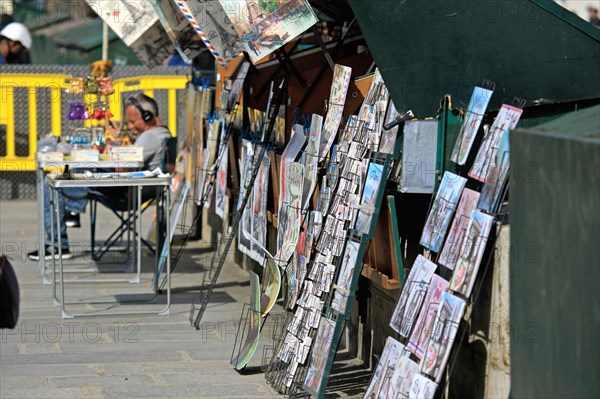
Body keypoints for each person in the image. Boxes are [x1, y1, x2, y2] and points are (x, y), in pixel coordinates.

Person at [28, 94, 172, 261]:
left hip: (124, 192)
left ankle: (57, 244)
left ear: (148, 117)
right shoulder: (163, 133)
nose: (131, 126)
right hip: (136, 188)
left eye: (133, 122)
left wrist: (114, 143)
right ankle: (72, 211)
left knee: (51, 183)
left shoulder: (150, 136)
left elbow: (124, 168)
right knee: (78, 169)